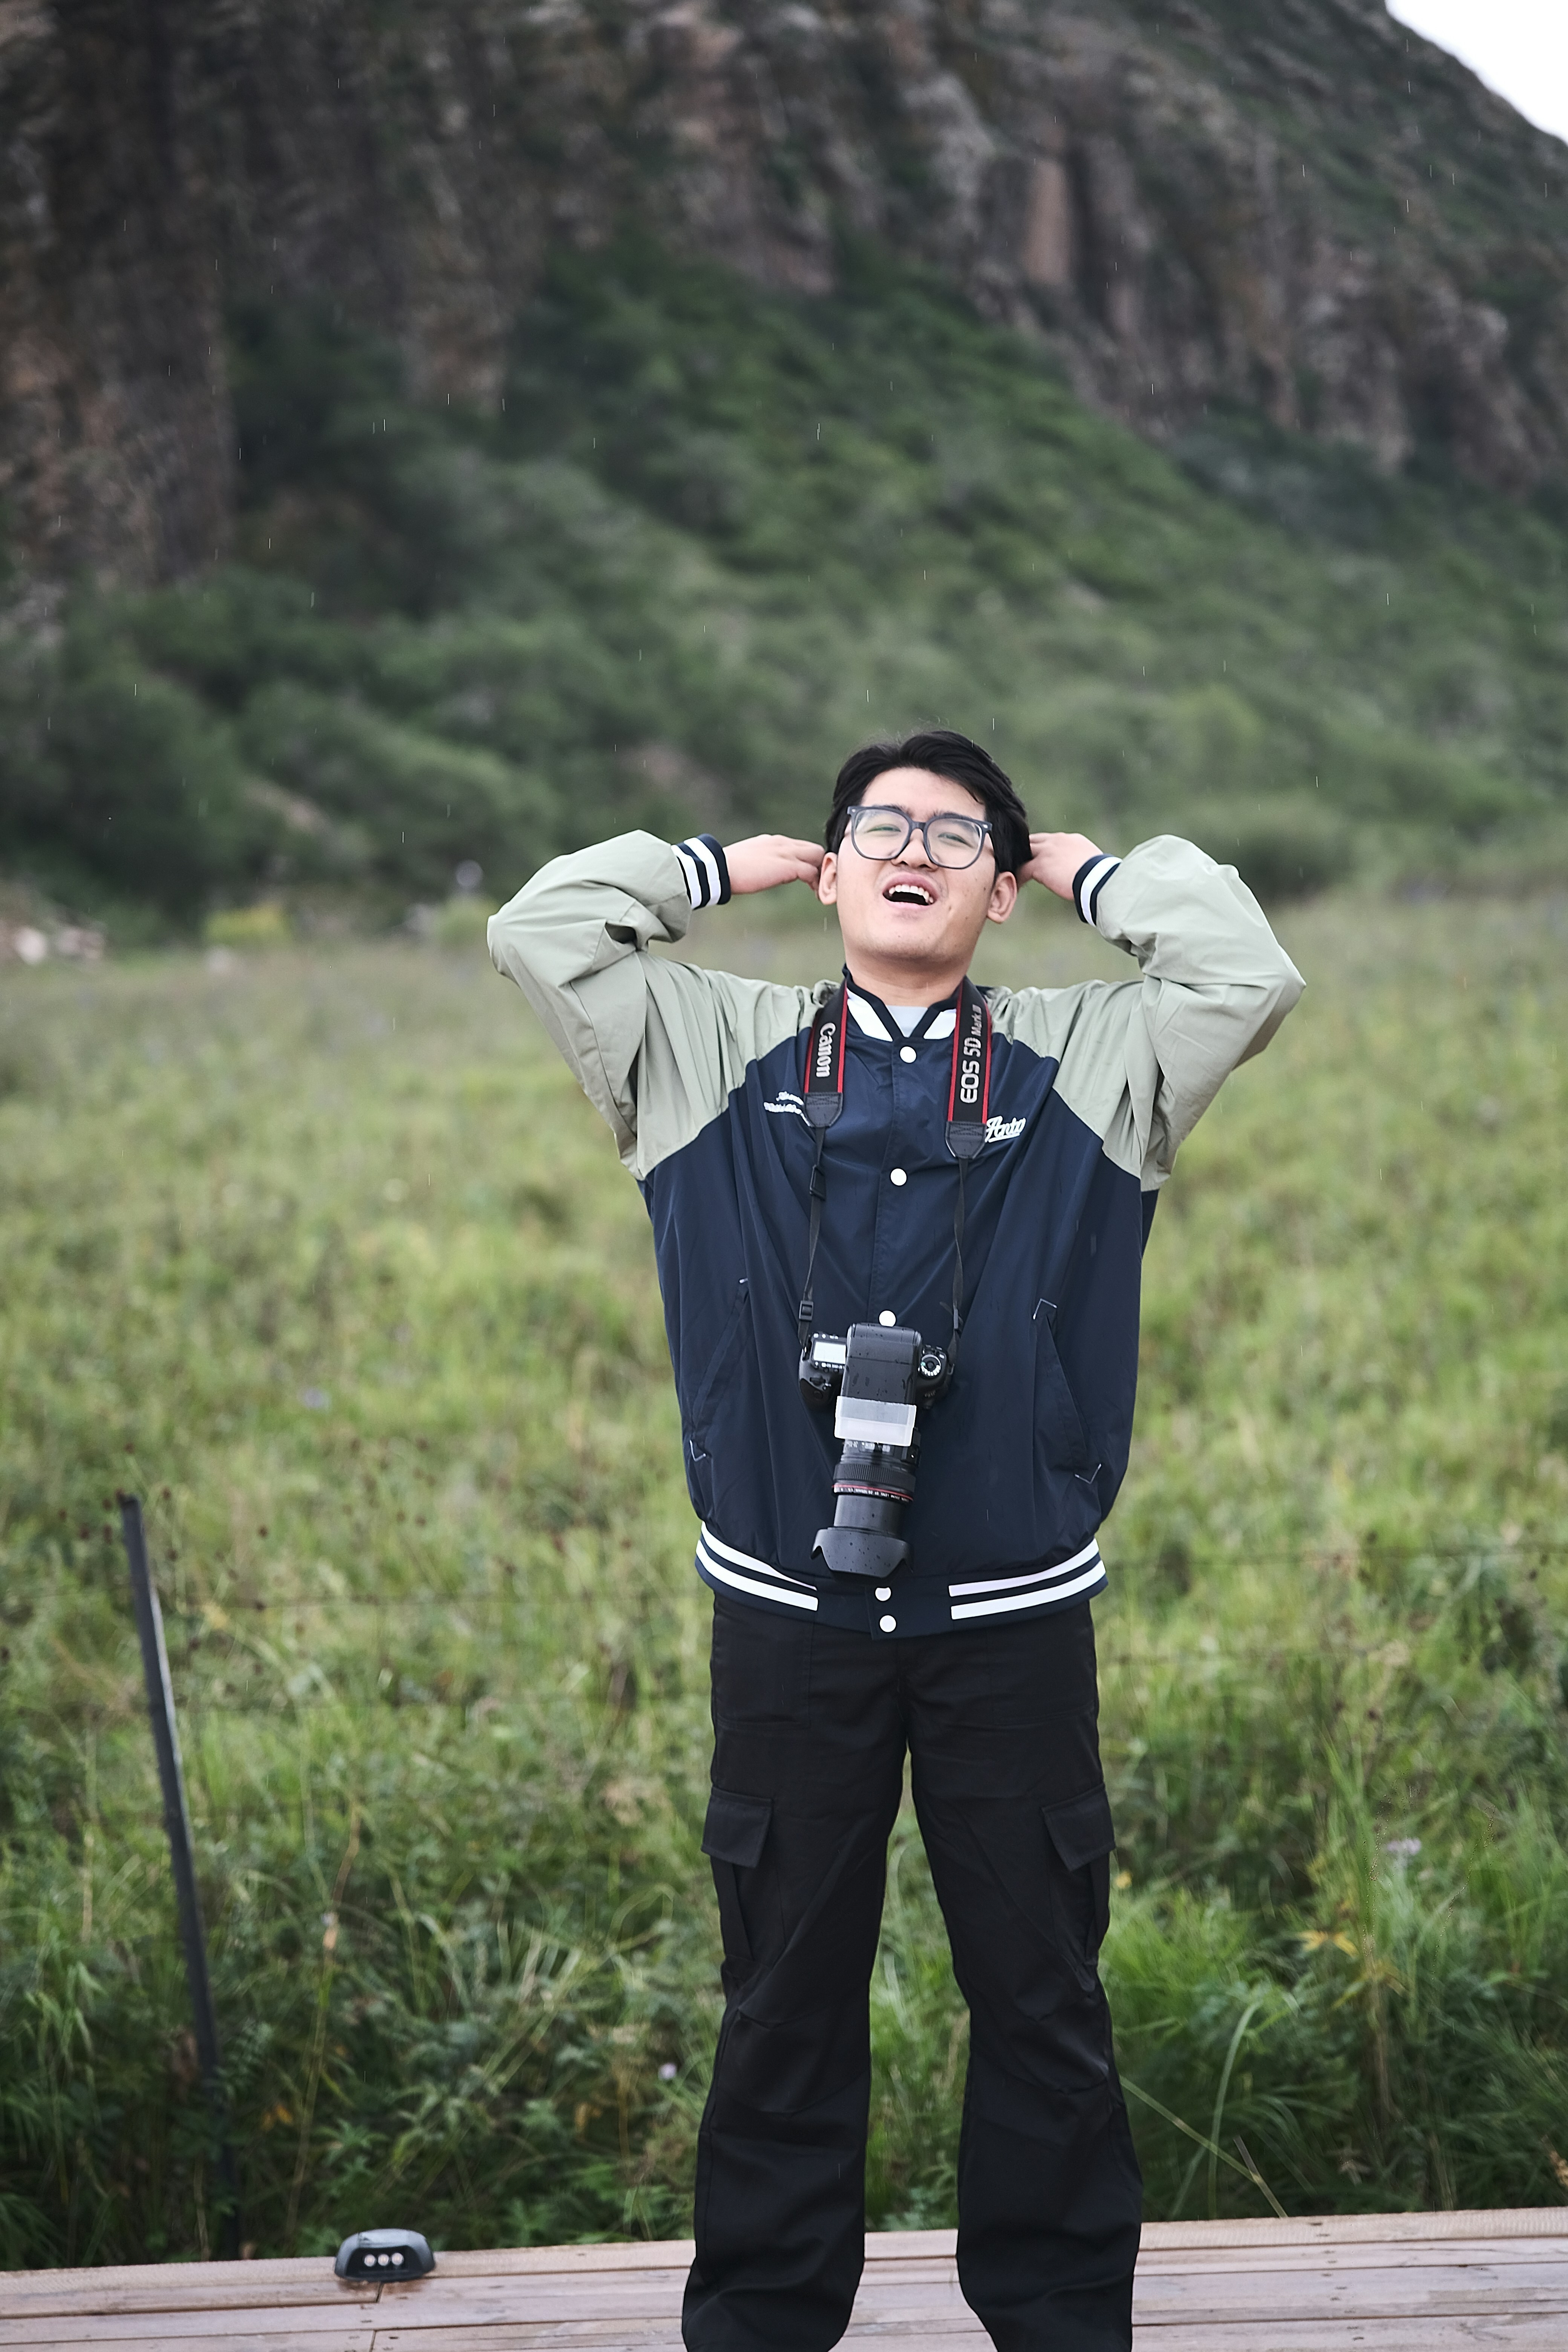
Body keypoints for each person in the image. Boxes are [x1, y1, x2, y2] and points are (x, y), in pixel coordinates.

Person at [488, 731, 1303, 2352]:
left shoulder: (1089, 1055)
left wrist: (1091, 869)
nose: (912, 851)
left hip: (1012, 1617)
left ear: (1000, 894)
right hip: (786, 1619)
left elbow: (1244, 972)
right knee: (779, 2005)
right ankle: (761, 2329)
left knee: (1044, 2005)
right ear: (829, 868)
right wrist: (712, 866)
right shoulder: (705, 1042)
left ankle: (1061, 2327)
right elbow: (539, 931)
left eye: (955, 835)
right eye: (877, 826)